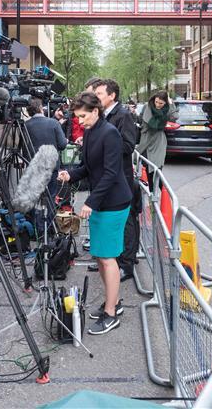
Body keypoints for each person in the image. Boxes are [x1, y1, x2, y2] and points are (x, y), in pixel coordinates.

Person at [58, 92, 132, 335]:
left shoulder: (110, 133)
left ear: (95, 112)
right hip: (102, 203)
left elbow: (111, 172)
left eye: (83, 116)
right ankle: (113, 302)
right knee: (100, 256)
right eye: (77, 117)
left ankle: (111, 313)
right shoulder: (90, 132)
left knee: (108, 258)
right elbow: (89, 168)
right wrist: (71, 175)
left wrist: (90, 201)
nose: (79, 121)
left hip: (114, 203)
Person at [94, 79, 139, 282]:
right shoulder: (105, 115)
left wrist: (103, 146)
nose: (96, 97)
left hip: (121, 178)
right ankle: (110, 259)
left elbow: (129, 145)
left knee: (127, 220)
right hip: (108, 176)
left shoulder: (124, 115)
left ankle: (126, 265)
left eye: (100, 94)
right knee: (112, 221)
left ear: (112, 96)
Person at [25, 97, 68, 204]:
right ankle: (48, 219)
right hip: (51, 166)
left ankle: (35, 220)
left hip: (33, 166)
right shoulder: (54, 123)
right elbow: (62, 145)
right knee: (51, 196)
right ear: (41, 108)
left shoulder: (25, 125)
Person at [137, 91, 178, 189]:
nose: (158, 105)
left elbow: (175, 116)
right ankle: (153, 196)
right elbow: (153, 125)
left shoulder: (166, 109)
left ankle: (165, 196)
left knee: (157, 170)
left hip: (159, 142)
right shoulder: (148, 107)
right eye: (156, 102)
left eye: (161, 103)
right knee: (147, 170)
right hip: (146, 142)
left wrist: (171, 103)